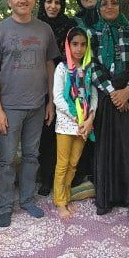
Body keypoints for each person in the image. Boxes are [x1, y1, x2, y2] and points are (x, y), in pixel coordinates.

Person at [0, 0, 60, 227]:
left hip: (37, 105)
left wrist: (50, 102)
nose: (22, 0)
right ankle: (5, 206)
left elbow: (50, 66)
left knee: (31, 156)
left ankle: (27, 199)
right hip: (9, 107)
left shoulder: (44, 29)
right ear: (9, 1)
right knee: (6, 159)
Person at [90, 0, 129, 215]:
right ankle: (107, 197)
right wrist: (112, 92)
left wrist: (127, 91)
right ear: (99, 7)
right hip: (106, 96)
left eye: (114, 2)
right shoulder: (92, 33)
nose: (109, 7)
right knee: (107, 147)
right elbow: (91, 65)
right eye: (104, 3)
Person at [52, 27, 98, 218]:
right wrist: (76, 117)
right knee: (62, 164)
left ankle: (67, 196)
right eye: (75, 44)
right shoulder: (62, 68)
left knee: (73, 164)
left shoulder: (88, 69)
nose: (79, 49)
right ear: (68, 46)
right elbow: (58, 98)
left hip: (84, 125)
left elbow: (93, 94)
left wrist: (90, 118)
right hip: (66, 124)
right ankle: (60, 201)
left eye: (83, 44)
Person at [36, 0, 75, 196]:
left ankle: (68, 177)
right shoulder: (35, 25)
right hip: (39, 83)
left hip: (66, 83)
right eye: (49, 1)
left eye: (57, 2)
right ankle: (45, 177)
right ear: (42, 3)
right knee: (45, 131)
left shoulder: (68, 25)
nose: (53, 6)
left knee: (64, 129)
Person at [72, 0, 99, 187]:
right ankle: (81, 175)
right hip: (83, 79)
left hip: (107, 81)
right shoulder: (76, 22)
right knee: (83, 122)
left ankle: (99, 173)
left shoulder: (109, 14)